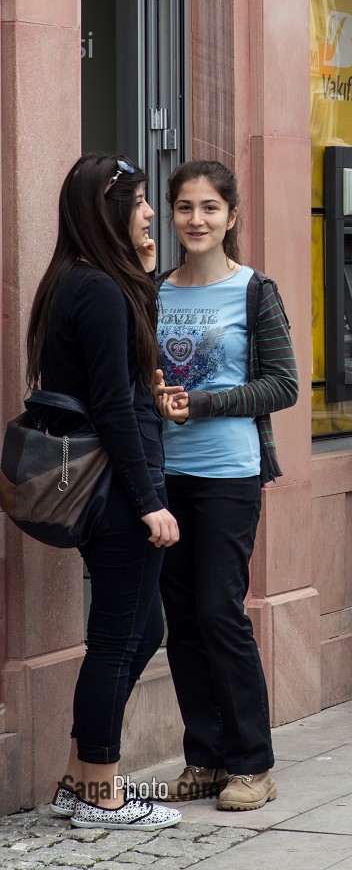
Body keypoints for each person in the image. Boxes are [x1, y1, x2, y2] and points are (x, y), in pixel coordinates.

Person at [31, 155, 181, 830]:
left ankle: (78, 777)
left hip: (114, 481)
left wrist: (143, 277)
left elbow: (120, 385)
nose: (151, 213)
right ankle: (101, 793)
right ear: (107, 211)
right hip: (117, 488)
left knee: (138, 626)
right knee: (121, 636)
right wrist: (149, 498)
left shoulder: (84, 280)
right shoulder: (94, 288)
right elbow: (114, 407)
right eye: (141, 201)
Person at [154, 161, 299, 811]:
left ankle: (251, 762)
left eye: (209, 208)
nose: (196, 220)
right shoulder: (156, 292)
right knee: (181, 622)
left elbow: (283, 385)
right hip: (167, 475)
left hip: (227, 474)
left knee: (219, 612)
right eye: (184, 208)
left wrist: (205, 403)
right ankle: (205, 758)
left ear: (231, 217)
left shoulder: (252, 290)